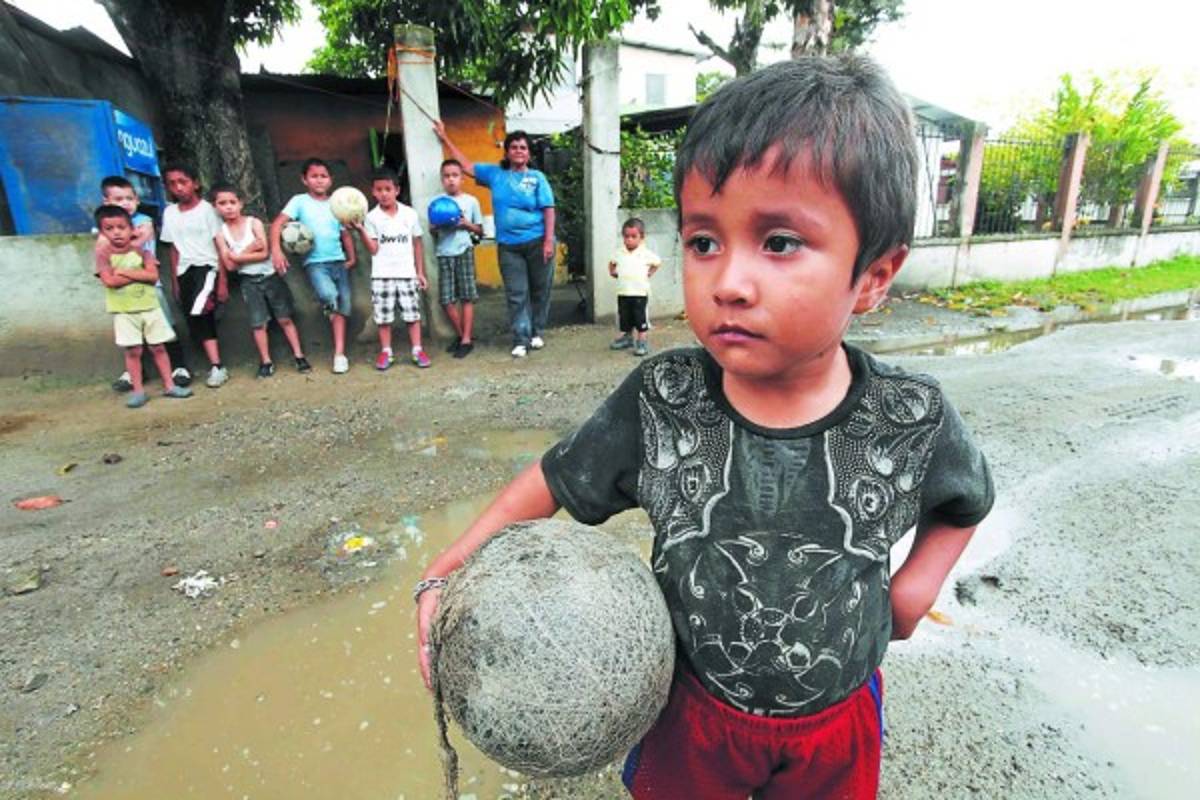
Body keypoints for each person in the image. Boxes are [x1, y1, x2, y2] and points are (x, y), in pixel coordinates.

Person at [415, 56, 994, 799]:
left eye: (779, 242)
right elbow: (552, 480)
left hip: (836, 721)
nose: (728, 283)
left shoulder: (907, 414)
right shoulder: (666, 398)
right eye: (703, 242)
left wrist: (915, 588)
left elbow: (965, 500)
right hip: (689, 716)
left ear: (874, 275)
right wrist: (448, 567)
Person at [432, 121, 555, 359]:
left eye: (523, 147)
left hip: (538, 241)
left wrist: (548, 241)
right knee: (516, 293)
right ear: (506, 152)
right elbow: (466, 166)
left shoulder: (537, 177)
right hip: (509, 246)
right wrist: (445, 137)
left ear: (529, 153)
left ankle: (536, 331)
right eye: (514, 147)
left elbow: (549, 209)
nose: (518, 151)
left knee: (540, 290)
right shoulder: (495, 174)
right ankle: (521, 338)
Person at [95, 176, 192, 392]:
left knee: (165, 327)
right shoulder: (106, 230)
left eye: (129, 198)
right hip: (123, 294)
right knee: (130, 336)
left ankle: (179, 366)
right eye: (118, 199)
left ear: (137, 200)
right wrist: (133, 271)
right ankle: (136, 373)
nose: (125, 203)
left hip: (150, 289)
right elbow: (103, 254)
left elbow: (137, 244)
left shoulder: (144, 221)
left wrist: (122, 266)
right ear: (106, 202)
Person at [210, 183, 312, 377]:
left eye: (232, 202)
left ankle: (299, 356)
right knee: (258, 324)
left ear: (241, 203)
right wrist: (249, 250)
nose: (228, 207)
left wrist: (236, 256)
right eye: (222, 203)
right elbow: (230, 266)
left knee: (285, 318)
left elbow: (264, 253)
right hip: (248, 282)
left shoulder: (254, 223)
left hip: (270, 276)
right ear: (215, 206)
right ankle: (266, 361)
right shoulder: (221, 233)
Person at [269, 158, 357, 374]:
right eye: (314, 176)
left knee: (343, 308)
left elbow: (345, 234)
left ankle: (339, 354)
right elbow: (278, 224)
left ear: (331, 180)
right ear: (304, 180)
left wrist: (352, 258)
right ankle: (328, 305)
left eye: (323, 176)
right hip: (315, 263)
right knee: (329, 295)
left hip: (338, 261)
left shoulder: (337, 204)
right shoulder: (299, 201)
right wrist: (276, 250)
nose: (319, 180)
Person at [349, 169, 431, 370]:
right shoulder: (371, 217)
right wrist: (361, 230)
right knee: (383, 317)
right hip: (382, 275)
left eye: (388, 189)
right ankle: (386, 351)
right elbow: (373, 249)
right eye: (379, 190)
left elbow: (417, 243)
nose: (384, 193)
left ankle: (417, 350)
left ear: (397, 190)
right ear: (373, 192)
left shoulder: (409, 214)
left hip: (407, 274)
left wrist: (420, 272)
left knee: (412, 315)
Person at [160, 164, 230, 388]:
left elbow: (219, 245)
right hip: (184, 270)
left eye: (183, 182)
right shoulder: (170, 213)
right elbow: (173, 248)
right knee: (192, 317)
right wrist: (174, 280)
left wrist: (223, 280)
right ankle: (210, 363)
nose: (178, 188)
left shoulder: (208, 210)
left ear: (195, 183)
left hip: (207, 267)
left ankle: (217, 366)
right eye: (172, 184)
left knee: (200, 311)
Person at [430, 159, 484, 359]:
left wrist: (466, 224)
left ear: (462, 178)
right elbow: (432, 231)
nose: (451, 180)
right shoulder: (437, 203)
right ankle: (462, 336)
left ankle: (466, 340)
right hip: (444, 253)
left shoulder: (471, 201)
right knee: (446, 299)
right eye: (446, 176)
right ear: (442, 179)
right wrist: (438, 225)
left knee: (467, 296)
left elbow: (480, 230)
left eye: (455, 175)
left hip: (464, 251)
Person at [607, 217, 662, 357]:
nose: (629, 239)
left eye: (633, 236)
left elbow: (657, 263)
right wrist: (612, 272)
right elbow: (612, 262)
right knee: (625, 317)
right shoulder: (619, 252)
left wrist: (650, 273)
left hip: (640, 293)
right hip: (623, 292)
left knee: (639, 318)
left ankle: (642, 341)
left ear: (641, 237)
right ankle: (627, 338)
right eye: (626, 236)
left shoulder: (646, 254)